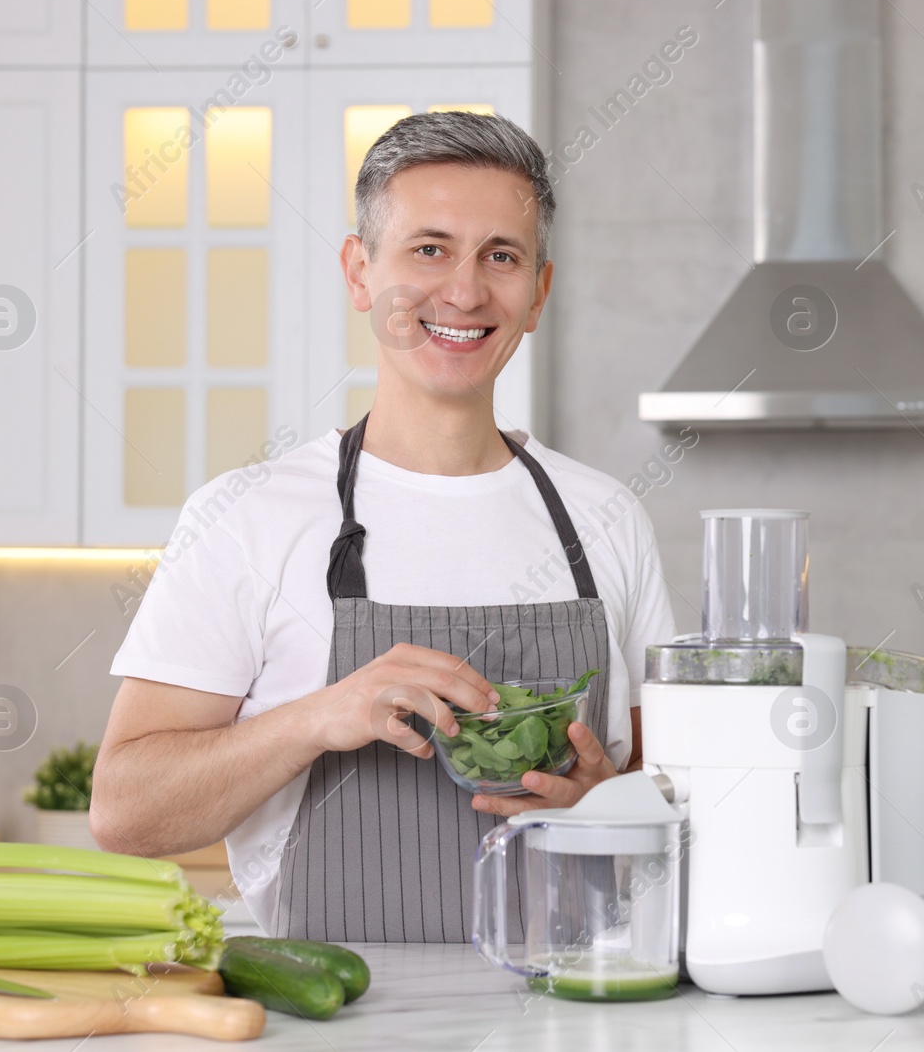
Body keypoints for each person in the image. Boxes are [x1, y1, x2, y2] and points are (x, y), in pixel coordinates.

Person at [91, 111, 677, 943]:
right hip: (335, 1019)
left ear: (538, 293)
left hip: (572, 1014)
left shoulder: (608, 518)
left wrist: (610, 809)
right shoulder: (247, 517)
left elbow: (682, 791)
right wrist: (318, 718)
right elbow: (124, 811)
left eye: (500, 256)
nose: (466, 292)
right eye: (428, 249)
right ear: (360, 272)